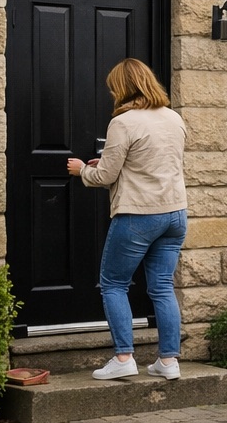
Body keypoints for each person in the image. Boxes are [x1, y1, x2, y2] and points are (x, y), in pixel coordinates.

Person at [67, 59, 188, 381]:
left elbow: (106, 175)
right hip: (175, 213)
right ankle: (168, 362)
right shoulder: (173, 118)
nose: (111, 93)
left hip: (139, 215)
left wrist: (83, 170)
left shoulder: (124, 122)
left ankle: (123, 357)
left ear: (123, 88)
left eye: (113, 88)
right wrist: (104, 163)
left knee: (113, 284)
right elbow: (151, 162)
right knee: (162, 287)